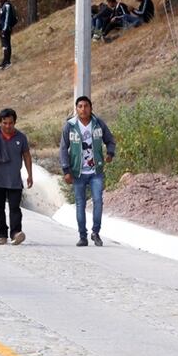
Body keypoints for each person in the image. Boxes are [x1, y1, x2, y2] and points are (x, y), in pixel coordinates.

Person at [58, 95, 117, 247]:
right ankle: (82, 236)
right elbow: (63, 148)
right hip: (77, 172)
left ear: (91, 108)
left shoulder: (98, 124)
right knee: (80, 204)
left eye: (86, 106)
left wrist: (110, 153)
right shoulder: (70, 126)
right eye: (80, 106)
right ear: (76, 109)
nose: (83, 109)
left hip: (95, 170)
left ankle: (95, 232)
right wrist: (66, 170)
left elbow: (110, 139)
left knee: (98, 200)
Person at [0, 108, 33, 246]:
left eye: (10, 123)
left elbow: (27, 155)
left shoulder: (21, 138)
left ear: (15, 122)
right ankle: (2, 234)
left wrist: (30, 175)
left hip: (14, 180)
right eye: (5, 123)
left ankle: (16, 233)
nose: (8, 126)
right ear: (0, 122)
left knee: (15, 208)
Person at [0, 0, 19, 70]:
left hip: (5, 29)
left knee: (6, 45)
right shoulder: (2, 5)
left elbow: (6, 18)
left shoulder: (7, 5)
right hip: (2, 28)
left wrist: (4, 29)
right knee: (4, 45)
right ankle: (5, 60)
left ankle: (7, 61)